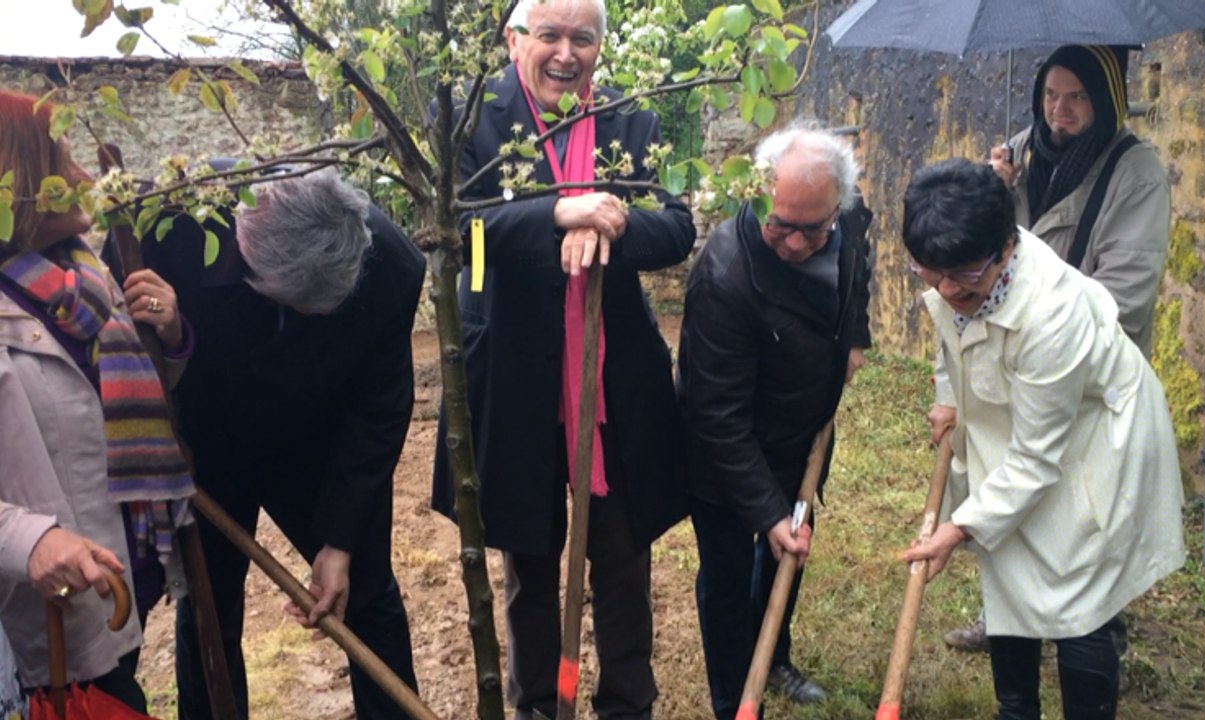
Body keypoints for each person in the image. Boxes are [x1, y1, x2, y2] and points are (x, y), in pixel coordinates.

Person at [429, 0, 696, 717]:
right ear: (517, 39)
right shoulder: (474, 116)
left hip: (614, 376)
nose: (565, 54)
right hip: (515, 374)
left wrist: (607, 216)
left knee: (621, 554)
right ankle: (540, 704)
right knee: (529, 555)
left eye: (582, 38)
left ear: (600, 47)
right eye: (549, 35)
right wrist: (554, 215)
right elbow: (461, 228)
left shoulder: (630, 119)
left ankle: (625, 703)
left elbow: (676, 227)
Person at [116, 167, 424, 720]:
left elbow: (378, 412)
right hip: (208, 445)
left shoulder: (392, 267)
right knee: (208, 610)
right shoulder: (173, 224)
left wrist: (340, 541)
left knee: (367, 597)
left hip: (318, 445)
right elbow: (117, 344)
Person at [900, 159, 1185, 720]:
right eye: (930, 274)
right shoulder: (952, 265)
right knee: (1009, 566)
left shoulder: (1053, 313)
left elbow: (1034, 459)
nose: (947, 289)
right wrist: (948, 395)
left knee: (1078, 588)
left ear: (1007, 248)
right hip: (1026, 428)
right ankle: (1016, 708)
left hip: (1096, 439)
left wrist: (958, 529)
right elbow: (948, 331)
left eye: (963, 276)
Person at [947, 43, 1173, 652]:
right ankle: (1008, 619)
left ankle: (1099, 627)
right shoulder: (1019, 154)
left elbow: (1126, 291)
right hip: (1020, 357)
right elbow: (992, 254)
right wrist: (993, 193)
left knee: (1087, 506)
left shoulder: (1136, 174)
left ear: (1104, 101)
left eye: (1076, 97)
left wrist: (1050, 322)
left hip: (1092, 363)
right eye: (1050, 94)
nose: (1059, 111)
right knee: (1015, 481)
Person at [0, 89, 193, 712]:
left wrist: (169, 333)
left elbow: (127, 404)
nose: (83, 175)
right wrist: (29, 542)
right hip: (39, 612)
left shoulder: (84, 275)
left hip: (114, 574)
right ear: (20, 181)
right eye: (61, 160)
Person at [677, 122, 873, 719]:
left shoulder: (849, 220)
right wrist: (764, 512)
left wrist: (853, 338)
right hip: (725, 454)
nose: (792, 242)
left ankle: (777, 656)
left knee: (789, 555)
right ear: (757, 195)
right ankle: (734, 698)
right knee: (731, 574)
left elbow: (855, 273)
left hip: (802, 431)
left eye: (812, 228)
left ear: (836, 207)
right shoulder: (725, 274)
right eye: (779, 224)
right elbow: (718, 416)